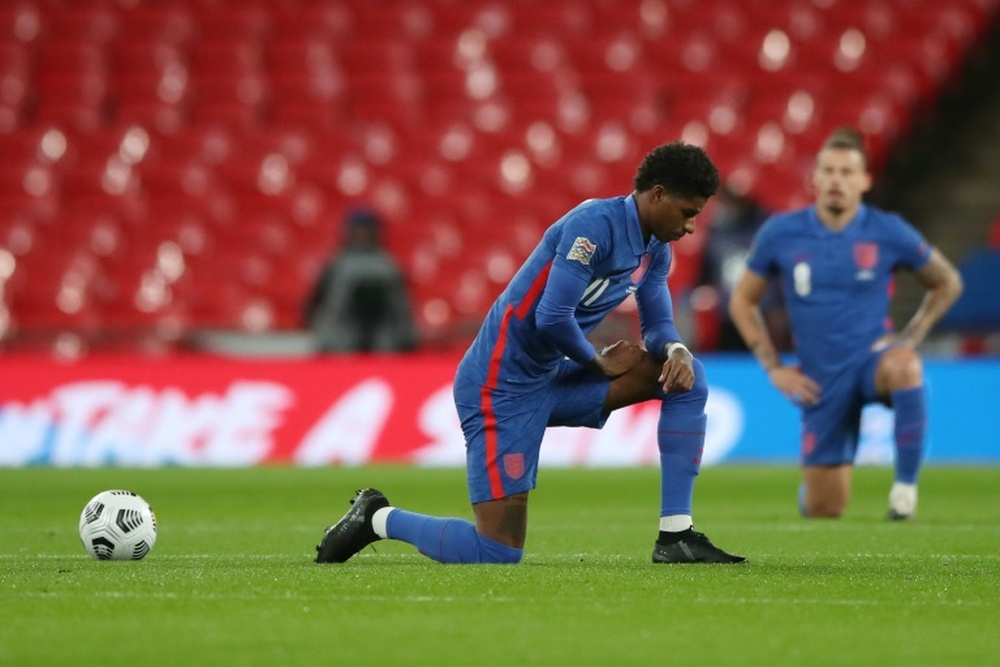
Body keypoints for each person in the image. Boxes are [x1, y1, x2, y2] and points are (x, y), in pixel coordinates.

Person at [315, 142, 746, 565]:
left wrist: (676, 350)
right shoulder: (594, 226)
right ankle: (377, 518)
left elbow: (656, 324)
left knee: (686, 379)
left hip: (551, 375)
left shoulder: (655, 249)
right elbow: (552, 317)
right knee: (496, 551)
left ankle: (676, 536)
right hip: (499, 385)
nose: (692, 226)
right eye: (687, 212)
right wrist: (596, 361)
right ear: (658, 195)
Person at [728, 127, 964, 520]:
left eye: (847, 172)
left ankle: (904, 493)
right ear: (815, 178)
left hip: (872, 361)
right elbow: (742, 300)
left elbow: (947, 282)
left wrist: (912, 336)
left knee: (905, 365)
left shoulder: (888, 230)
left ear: (864, 181)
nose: (837, 180)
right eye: (829, 171)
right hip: (821, 381)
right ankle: (813, 492)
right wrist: (773, 368)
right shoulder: (781, 233)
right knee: (825, 509)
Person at [303, 207, 418, 353]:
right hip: (341, 337)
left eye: (367, 230)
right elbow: (315, 304)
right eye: (358, 230)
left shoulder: (389, 266)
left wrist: (406, 338)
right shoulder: (336, 265)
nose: (362, 235)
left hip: (384, 338)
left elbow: (401, 308)